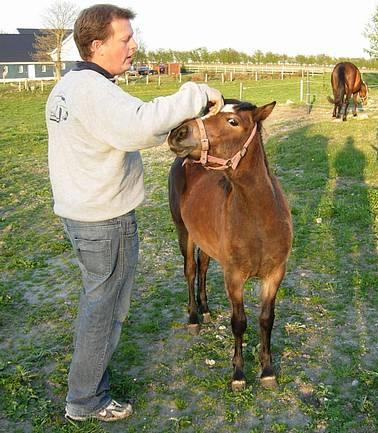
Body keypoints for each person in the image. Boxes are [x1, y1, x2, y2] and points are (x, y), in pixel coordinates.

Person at [46, 3, 223, 423]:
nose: (133, 47)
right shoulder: (92, 90)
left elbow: (124, 125)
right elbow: (137, 126)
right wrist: (195, 94)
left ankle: (86, 389)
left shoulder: (72, 86)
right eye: (124, 39)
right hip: (103, 223)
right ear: (96, 44)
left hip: (83, 215)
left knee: (100, 303)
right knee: (104, 309)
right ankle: (85, 399)